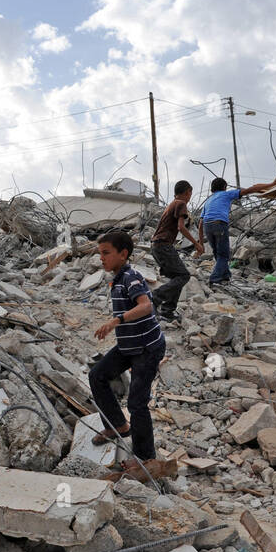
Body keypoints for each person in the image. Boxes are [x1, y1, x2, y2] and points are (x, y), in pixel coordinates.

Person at [88, 230, 166, 466]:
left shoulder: (131, 277)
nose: (102, 258)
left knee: (137, 403)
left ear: (123, 254)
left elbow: (146, 306)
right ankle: (119, 426)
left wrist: (116, 320)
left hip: (147, 348)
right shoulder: (118, 277)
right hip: (128, 345)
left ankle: (145, 456)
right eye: (100, 253)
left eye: (106, 253)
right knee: (97, 375)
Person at [199, 174, 276, 284]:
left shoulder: (208, 201)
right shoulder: (226, 194)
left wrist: (200, 243)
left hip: (207, 226)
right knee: (223, 255)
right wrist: (273, 184)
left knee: (217, 253)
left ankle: (225, 275)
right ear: (224, 187)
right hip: (219, 224)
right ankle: (214, 279)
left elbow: (200, 223)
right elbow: (250, 189)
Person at [149, 180, 203, 322]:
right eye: (190, 193)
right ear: (187, 192)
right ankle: (154, 299)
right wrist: (196, 243)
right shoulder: (180, 203)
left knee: (178, 277)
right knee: (184, 276)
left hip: (157, 245)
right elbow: (181, 227)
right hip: (163, 245)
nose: (190, 196)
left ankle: (167, 311)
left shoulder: (171, 204)